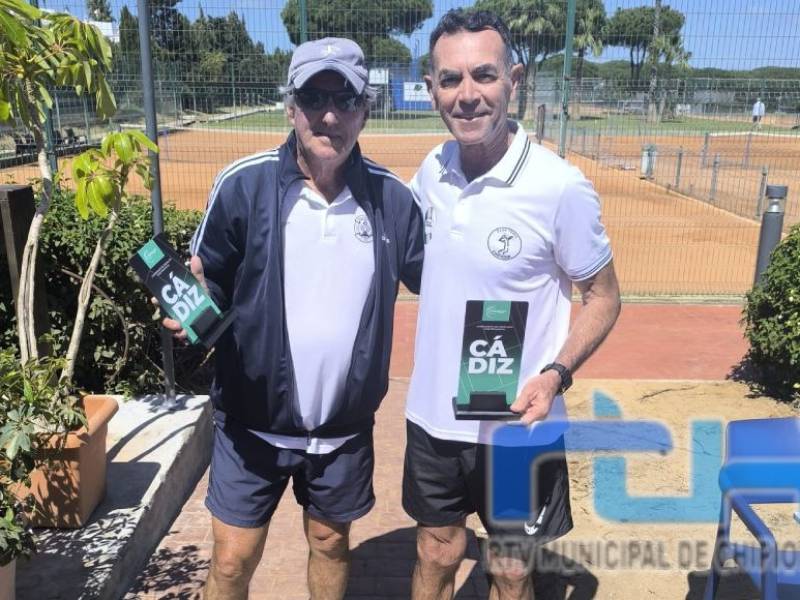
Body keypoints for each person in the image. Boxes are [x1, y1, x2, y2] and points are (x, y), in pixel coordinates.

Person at [164, 37, 424, 600]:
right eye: (313, 98)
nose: (329, 115)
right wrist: (195, 300)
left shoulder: (395, 201)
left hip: (343, 430)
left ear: (365, 110)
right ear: (290, 107)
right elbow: (209, 275)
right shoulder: (243, 184)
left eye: (345, 99)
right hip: (250, 424)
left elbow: (442, 283)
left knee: (330, 543)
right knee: (231, 560)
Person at [402, 9, 621, 600]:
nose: (467, 94)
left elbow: (604, 297)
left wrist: (555, 376)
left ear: (514, 80)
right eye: (451, 79)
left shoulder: (559, 186)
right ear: (431, 89)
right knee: (435, 551)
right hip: (434, 417)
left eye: (484, 75)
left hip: (521, 421)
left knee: (511, 568)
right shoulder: (430, 172)